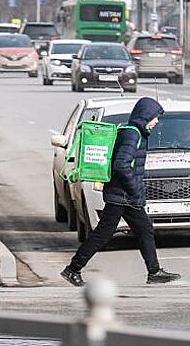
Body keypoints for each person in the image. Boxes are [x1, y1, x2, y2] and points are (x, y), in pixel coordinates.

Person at [61, 98, 182, 287]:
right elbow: (121, 164)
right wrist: (135, 189)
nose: (156, 122)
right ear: (145, 116)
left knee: (144, 230)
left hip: (124, 195)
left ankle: (154, 271)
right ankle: (73, 269)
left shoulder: (135, 133)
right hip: (122, 195)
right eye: (155, 117)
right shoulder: (132, 135)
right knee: (104, 234)